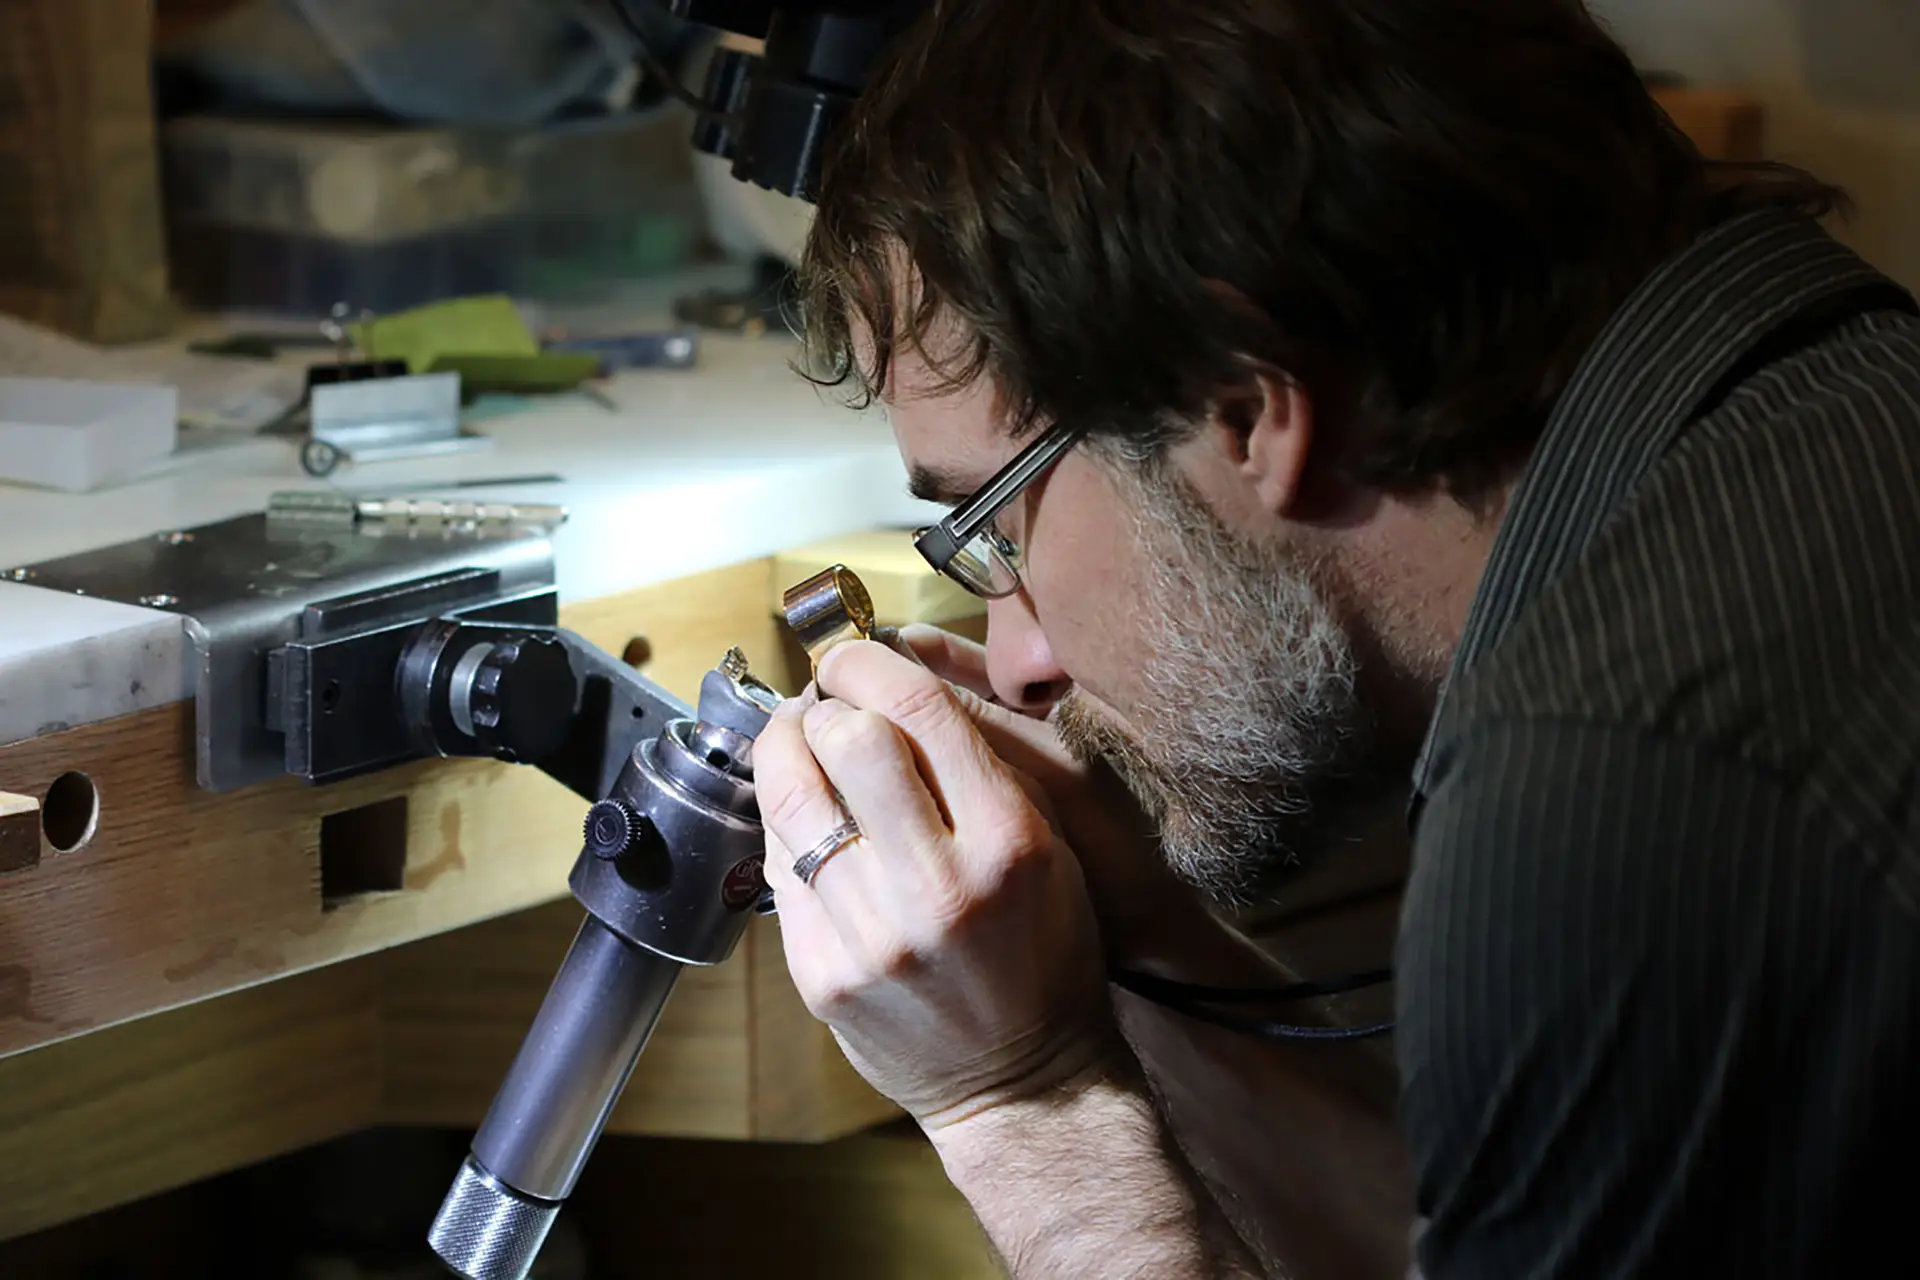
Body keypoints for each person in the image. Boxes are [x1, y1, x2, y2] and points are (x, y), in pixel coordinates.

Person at [749, 0, 1920, 1275]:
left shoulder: (1617, 797)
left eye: (1001, 530)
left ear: (1249, 411)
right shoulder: (1837, 392)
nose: (1020, 657)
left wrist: (1025, 1104)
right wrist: (1143, 936)